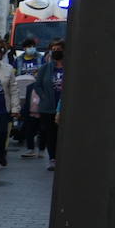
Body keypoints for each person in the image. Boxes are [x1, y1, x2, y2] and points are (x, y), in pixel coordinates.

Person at [34, 40, 66, 171]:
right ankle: (52, 158)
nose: (56, 51)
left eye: (59, 49)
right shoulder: (45, 68)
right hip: (48, 107)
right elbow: (37, 84)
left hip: (64, 106)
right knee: (51, 134)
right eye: (54, 49)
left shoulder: (69, 66)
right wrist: (43, 96)